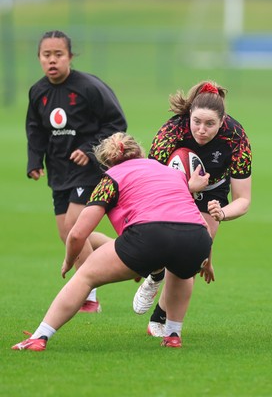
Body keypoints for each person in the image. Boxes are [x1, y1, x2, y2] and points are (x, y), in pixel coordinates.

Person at [12, 132, 214, 351]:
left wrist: (70, 261)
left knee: (85, 276)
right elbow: (190, 217)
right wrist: (207, 261)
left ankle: (39, 337)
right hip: (198, 239)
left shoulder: (111, 177)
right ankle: (173, 334)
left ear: (106, 164)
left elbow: (78, 233)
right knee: (182, 269)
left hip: (148, 236)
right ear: (140, 152)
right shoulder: (170, 172)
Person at [133, 80, 252, 337]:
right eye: (196, 121)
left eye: (210, 124)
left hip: (213, 192)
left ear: (223, 122)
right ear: (189, 115)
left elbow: (243, 200)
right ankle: (155, 273)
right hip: (171, 187)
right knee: (165, 244)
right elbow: (151, 181)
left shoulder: (236, 137)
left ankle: (160, 316)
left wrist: (223, 213)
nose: (201, 129)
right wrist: (187, 187)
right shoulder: (172, 130)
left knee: (191, 256)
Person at [26, 30, 127, 312]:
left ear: (70, 56)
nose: (52, 60)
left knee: (75, 227)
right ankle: (133, 256)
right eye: (47, 55)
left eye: (58, 54)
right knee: (68, 235)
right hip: (59, 170)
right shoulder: (38, 92)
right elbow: (35, 130)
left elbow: (117, 123)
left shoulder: (89, 87)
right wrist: (34, 161)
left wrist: (89, 148)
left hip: (89, 169)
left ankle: (89, 295)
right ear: (39, 58)